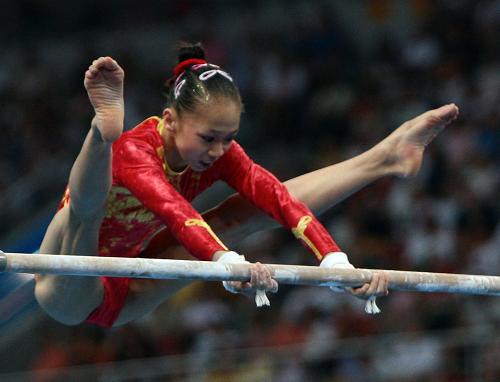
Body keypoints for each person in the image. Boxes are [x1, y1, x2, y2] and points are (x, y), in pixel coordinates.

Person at [34, 43, 459, 328]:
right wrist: (225, 261)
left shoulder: (219, 152)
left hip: (130, 281)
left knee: (242, 215)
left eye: (229, 138)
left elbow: (279, 199)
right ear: (169, 121)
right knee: (87, 211)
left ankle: (383, 158)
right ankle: (100, 133)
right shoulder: (138, 152)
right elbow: (175, 212)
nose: (220, 150)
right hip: (67, 275)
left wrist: (336, 263)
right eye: (208, 138)